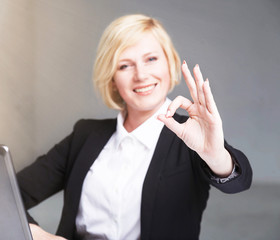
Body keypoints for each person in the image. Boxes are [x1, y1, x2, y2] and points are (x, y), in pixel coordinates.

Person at [17, 14, 252, 240]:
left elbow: (240, 182)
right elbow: (7, 194)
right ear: (112, 79)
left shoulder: (191, 135)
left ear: (169, 64)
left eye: (151, 59)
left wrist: (215, 154)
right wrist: (38, 236)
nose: (141, 75)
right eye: (124, 66)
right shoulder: (85, 135)